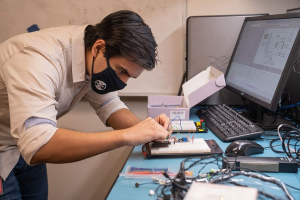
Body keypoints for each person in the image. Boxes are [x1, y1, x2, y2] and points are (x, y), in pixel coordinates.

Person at [0, 10, 170, 199]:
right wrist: (127, 136)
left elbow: (109, 105)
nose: (123, 81)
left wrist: (148, 131)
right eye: (121, 71)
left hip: (23, 143)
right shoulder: (37, 60)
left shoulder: (89, 49)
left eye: (130, 76)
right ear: (99, 48)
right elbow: (38, 145)